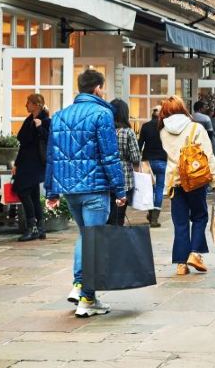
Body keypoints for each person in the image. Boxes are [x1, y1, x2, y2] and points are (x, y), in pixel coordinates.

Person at [45, 69, 125, 317]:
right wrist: (119, 189)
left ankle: (79, 285)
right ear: (98, 88)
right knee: (92, 240)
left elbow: (52, 157)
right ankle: (87, 298)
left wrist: (51, 191)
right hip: (95, 189)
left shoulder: (59, 116)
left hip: (71, 190)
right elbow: (110, 155)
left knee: (85, 236)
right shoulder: (102, 114)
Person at [160, 96, 215, 276]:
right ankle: (194, 253)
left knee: (180, 222)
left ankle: (181, 263)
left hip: (174, 181)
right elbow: (207, 155)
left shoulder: (163, 131)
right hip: (195, 180)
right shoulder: (195, 127)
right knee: (200, 216)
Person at [12, 93, 50, 242]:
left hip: (36, 164)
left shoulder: (46, 121)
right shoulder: (29, 120)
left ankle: (32, 228)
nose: (26, 105)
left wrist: (40, 127)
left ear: (36, 105)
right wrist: (16, 163)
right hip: (25, 163)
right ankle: (40, 228)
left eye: (28, 103)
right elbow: (23, 144)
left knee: (22, 190)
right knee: (32, 194)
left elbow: (49, 139)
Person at [108, 99, 141, 226]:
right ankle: (117, 241)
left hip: (107, 177)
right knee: (119, 215)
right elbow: (135, 157)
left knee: (108, 213)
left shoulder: (105, 130)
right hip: (125, 178)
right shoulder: (128, 132)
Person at [138, 106, 167, 227]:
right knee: (159, 188)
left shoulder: (145, 126)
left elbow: (140, 144)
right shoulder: (165, 127)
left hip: (147, 161)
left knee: (149, 189)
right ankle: (154, 217)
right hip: (162, 160)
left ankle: (150, 214)